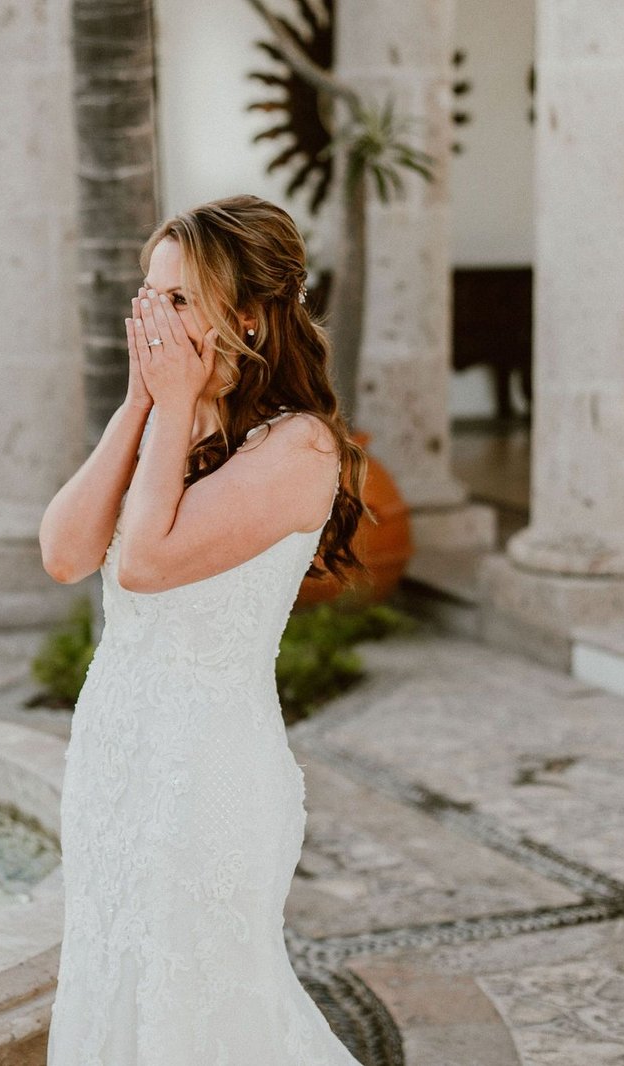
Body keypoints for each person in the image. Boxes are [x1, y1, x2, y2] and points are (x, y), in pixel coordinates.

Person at [39, 195, 369, 1064]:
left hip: (207, 776)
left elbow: (146, 560)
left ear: (251, 317)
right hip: (115, 754)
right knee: (113, 981)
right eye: (150, 295)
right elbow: (67, 553)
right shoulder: (170, 422)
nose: (155, 319)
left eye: (179, 300)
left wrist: (173, 403)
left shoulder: (299, 449)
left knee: (202, 1010)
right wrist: (137, 407)